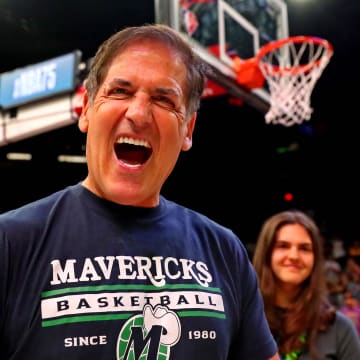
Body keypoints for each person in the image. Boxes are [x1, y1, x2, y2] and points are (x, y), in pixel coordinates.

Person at [0, 24, 279, 360]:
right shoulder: (10, 242)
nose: (138, 113)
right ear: (86, 108)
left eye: (164, 99)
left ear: (188, 129)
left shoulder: (224, 251)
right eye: (120, 91)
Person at [253, 210, 360, 360]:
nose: (294, 256)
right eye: (283, 246)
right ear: (266, 253)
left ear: (315, 258)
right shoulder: (242, 322)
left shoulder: (340, 329)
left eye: (304, 248)